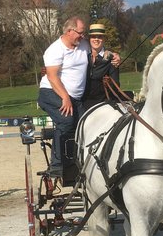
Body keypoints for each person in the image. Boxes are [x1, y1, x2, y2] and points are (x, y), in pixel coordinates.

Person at [38, 17, 121, 177]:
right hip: (52, 92)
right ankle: (57, 165)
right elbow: (52, 77)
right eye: (81, 33)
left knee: (86, 125)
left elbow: (100, 49)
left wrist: (114, 55)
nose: (83, 37)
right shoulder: (55, 50)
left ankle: (84, 164)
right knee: (66, 121)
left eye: (84, 34)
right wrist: (65, 97)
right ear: (69, 31)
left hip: (74, 98)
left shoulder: (82, 45)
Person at [82, 22, 120, 112]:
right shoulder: (82, 56)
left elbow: (116, 85)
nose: (96, 39)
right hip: (82, 103)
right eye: (93, 36)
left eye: (100, 37)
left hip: (102, 105)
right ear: (89, 39)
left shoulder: (111, 59)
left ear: (104, 39)